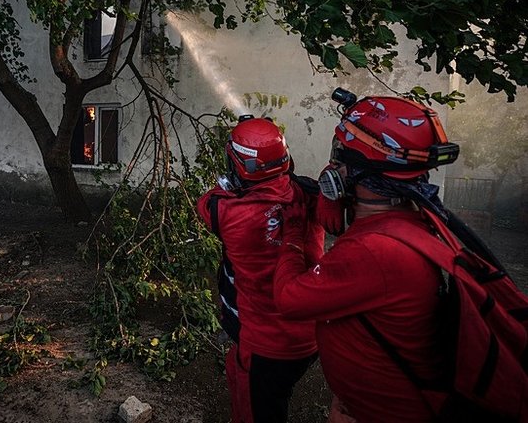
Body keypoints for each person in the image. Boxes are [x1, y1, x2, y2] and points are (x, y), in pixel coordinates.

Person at [274, 90, 462, 423]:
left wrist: (293, 235)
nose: (332, 167)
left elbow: (289, 299)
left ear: (361, 171)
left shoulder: (373, 250)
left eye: (339, 157)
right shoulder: (409, 219)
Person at [196, 115, 324, 423]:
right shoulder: (311, 196)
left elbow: (207, 200)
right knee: (236, 368)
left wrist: (233, 183)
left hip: (267, 344)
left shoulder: (222, 210)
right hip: (312, 333)